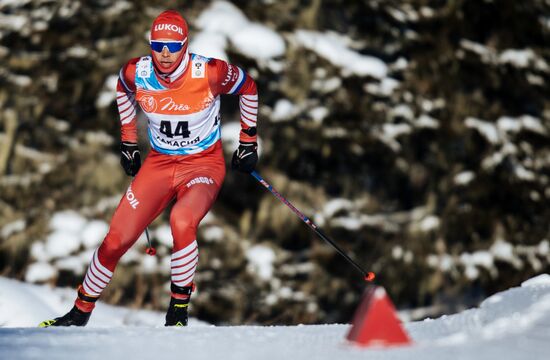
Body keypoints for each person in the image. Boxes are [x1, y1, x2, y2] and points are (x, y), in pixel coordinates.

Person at [39, 9, 259, 327]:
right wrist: (129, 142)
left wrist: (248, 141)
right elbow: (122, 89)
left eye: (173, 46)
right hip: (159, 164)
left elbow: (248, 88)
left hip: (202, 165)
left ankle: (178, 313)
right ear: (150, 45)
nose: (165, 54)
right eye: (158, 46)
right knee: (115, 239)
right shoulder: (137, 72)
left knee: (182, 220)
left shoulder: (209, 72)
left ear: (185, 44)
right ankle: (78, 313)